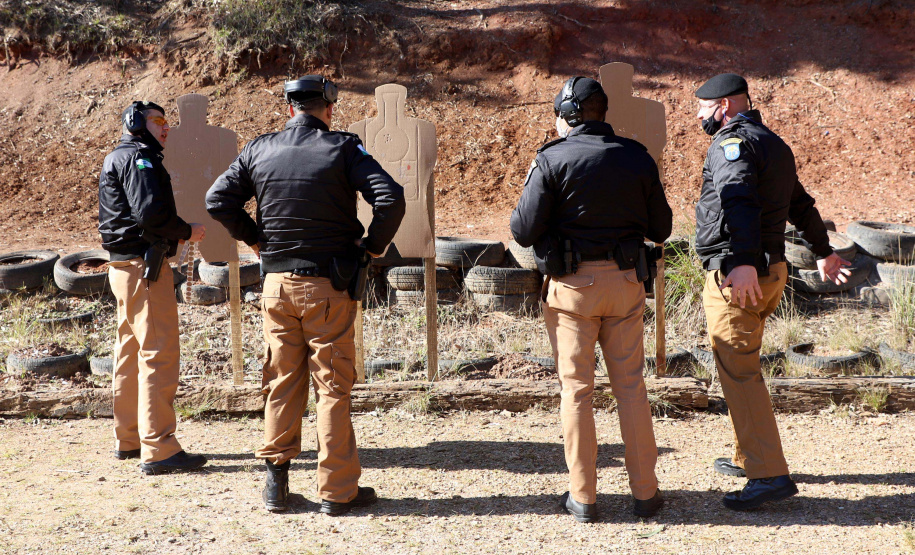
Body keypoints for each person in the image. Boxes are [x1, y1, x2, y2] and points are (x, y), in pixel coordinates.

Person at [205, 75, 405, 514]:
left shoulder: (259, 148)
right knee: (332, 386)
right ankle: (336, 492)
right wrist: (371, 247)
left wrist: (255, 239)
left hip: (275, 286)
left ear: (289, 109)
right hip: (329, 286)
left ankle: (276, 484)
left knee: (281, 380)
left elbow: (217, 199)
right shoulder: (343, 148)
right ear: (328, 109)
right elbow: (391, 198)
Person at [510, 76, 673, 523]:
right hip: (625, 284)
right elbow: (662, 228)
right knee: (632, 389)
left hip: (572, 289)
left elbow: (522, 230)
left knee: (577, 392)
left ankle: (584, 497)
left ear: (570, 115)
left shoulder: (551, 158)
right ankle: (645, 493)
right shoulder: (637, 157)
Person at [693, 73, 851, 511]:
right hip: (772, 270)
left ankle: (767, 474)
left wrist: (741, 261)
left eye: (704, 108)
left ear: (724, 105)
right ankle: (749, 455)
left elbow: (738, 197)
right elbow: (800, 203)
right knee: (740, 366)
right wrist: (822, 250)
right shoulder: (773, 143)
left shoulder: (733, 143)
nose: (699, 116)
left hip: (741, 274)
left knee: (739, 372)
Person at [98, 101, 208, 475]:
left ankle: (129, 437)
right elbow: (151, 214)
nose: (166, 127)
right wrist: (186, 231)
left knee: (129, 352)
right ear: (136, 124)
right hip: (144, 270)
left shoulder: (120, 156)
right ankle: (159, 447)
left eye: (166, 121)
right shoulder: (140, 158)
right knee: (157, 353)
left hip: (123, 267)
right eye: (158, 121)